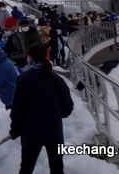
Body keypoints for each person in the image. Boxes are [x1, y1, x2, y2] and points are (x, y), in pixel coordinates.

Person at [9, 43, 74, 174]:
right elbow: (68, 106)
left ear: (31, 58)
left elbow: (18, 108)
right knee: (57, 169)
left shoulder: (24, 78)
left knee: (26, 168)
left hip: (31, 131)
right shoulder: (56, 79)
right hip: (54, 131)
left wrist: (15, 128)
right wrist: (54, 114)